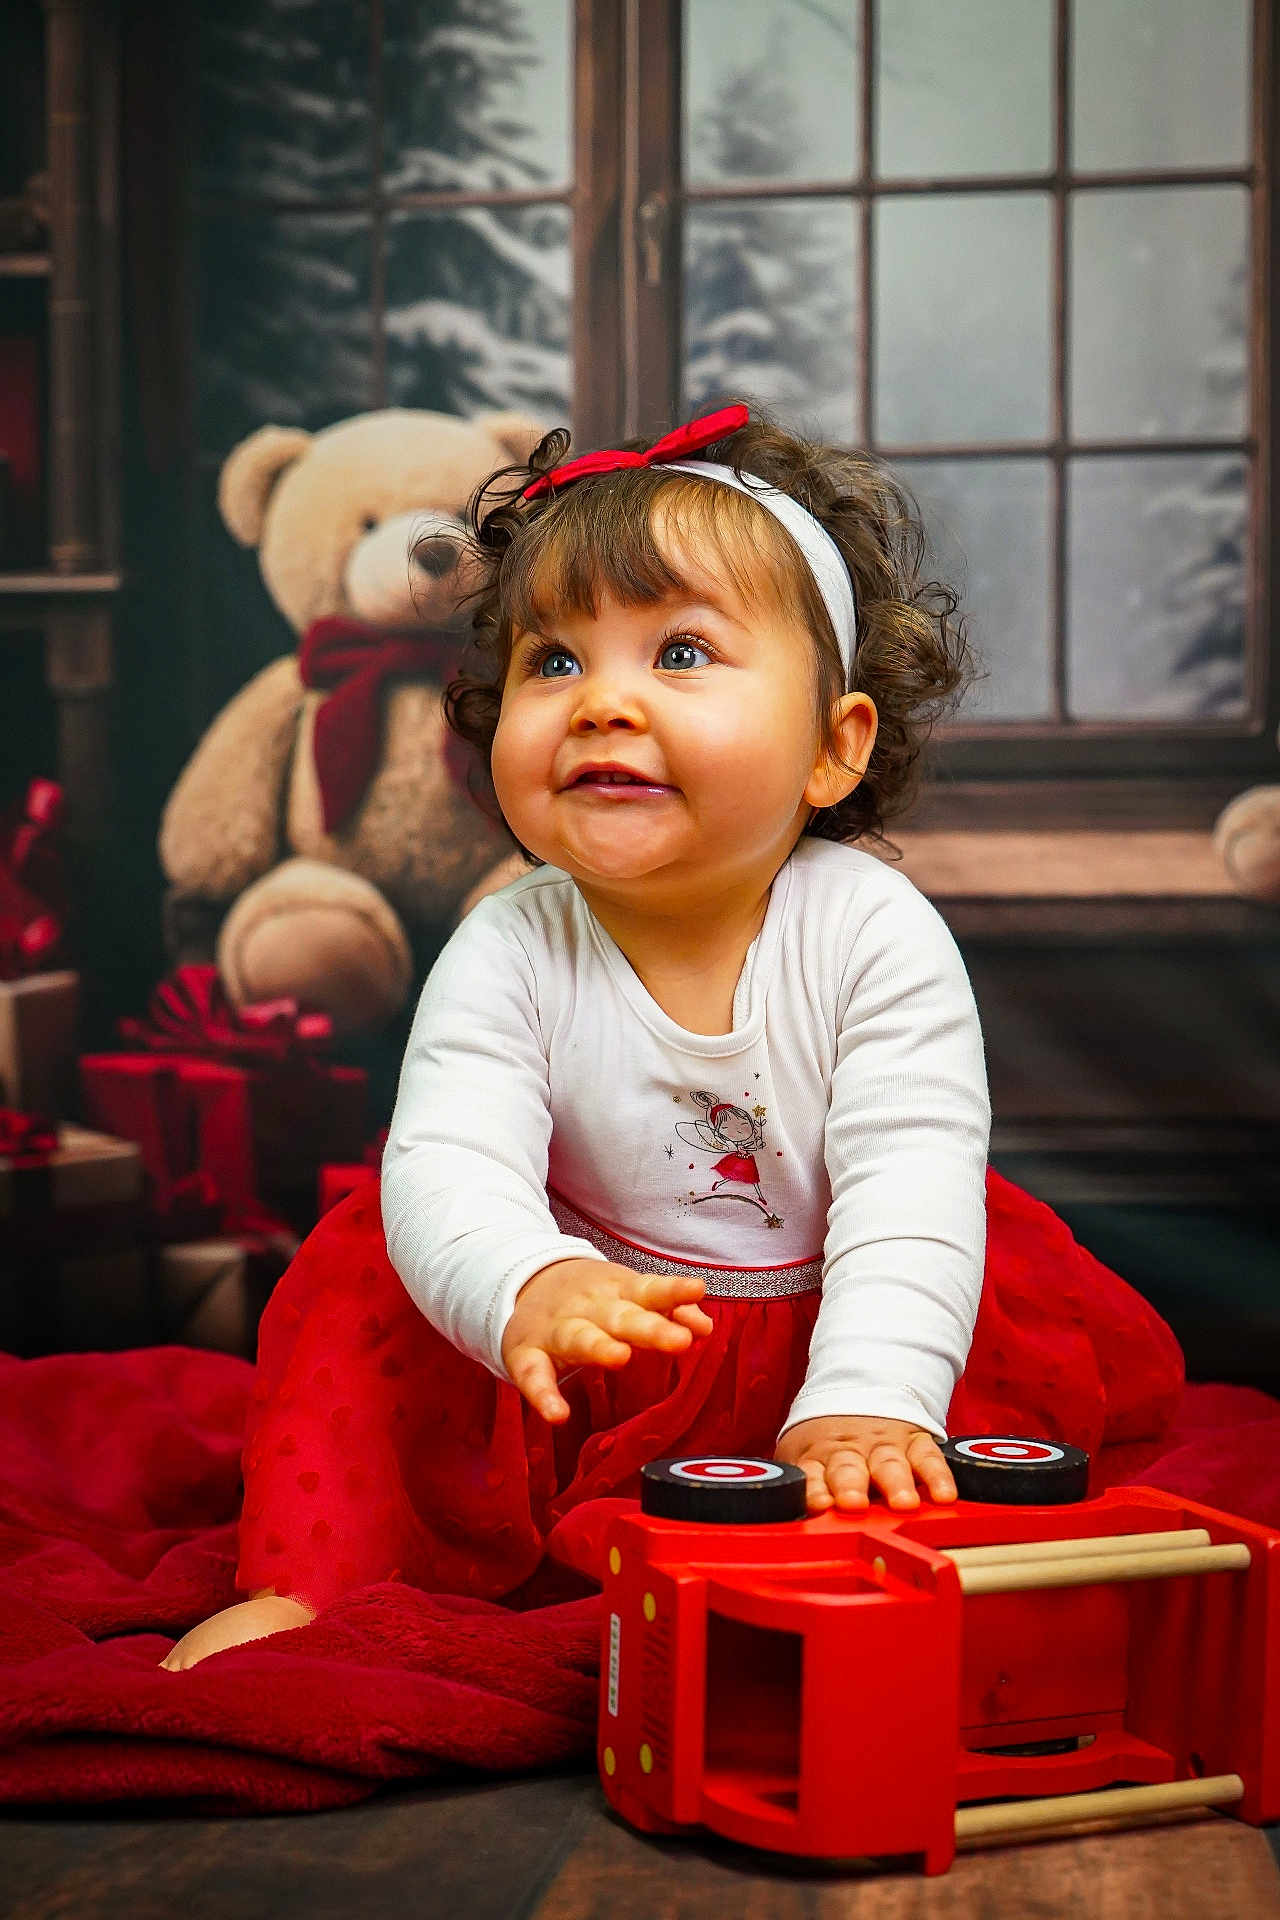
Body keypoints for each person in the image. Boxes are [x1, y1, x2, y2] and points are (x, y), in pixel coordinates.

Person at [160, 399, 1005, 1670]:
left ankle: (849, 1476)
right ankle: (315, 1585)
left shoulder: (872, 936)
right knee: (364, 1281)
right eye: (553, 663)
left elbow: (907, 1194)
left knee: (926, 1334)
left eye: (678, 654)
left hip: (828, 1317)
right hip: (575, 1348)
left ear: (833, 749)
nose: (601, 703)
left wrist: (864, 1401)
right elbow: (452, 1163)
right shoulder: (510, 943)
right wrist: (524, 1283)